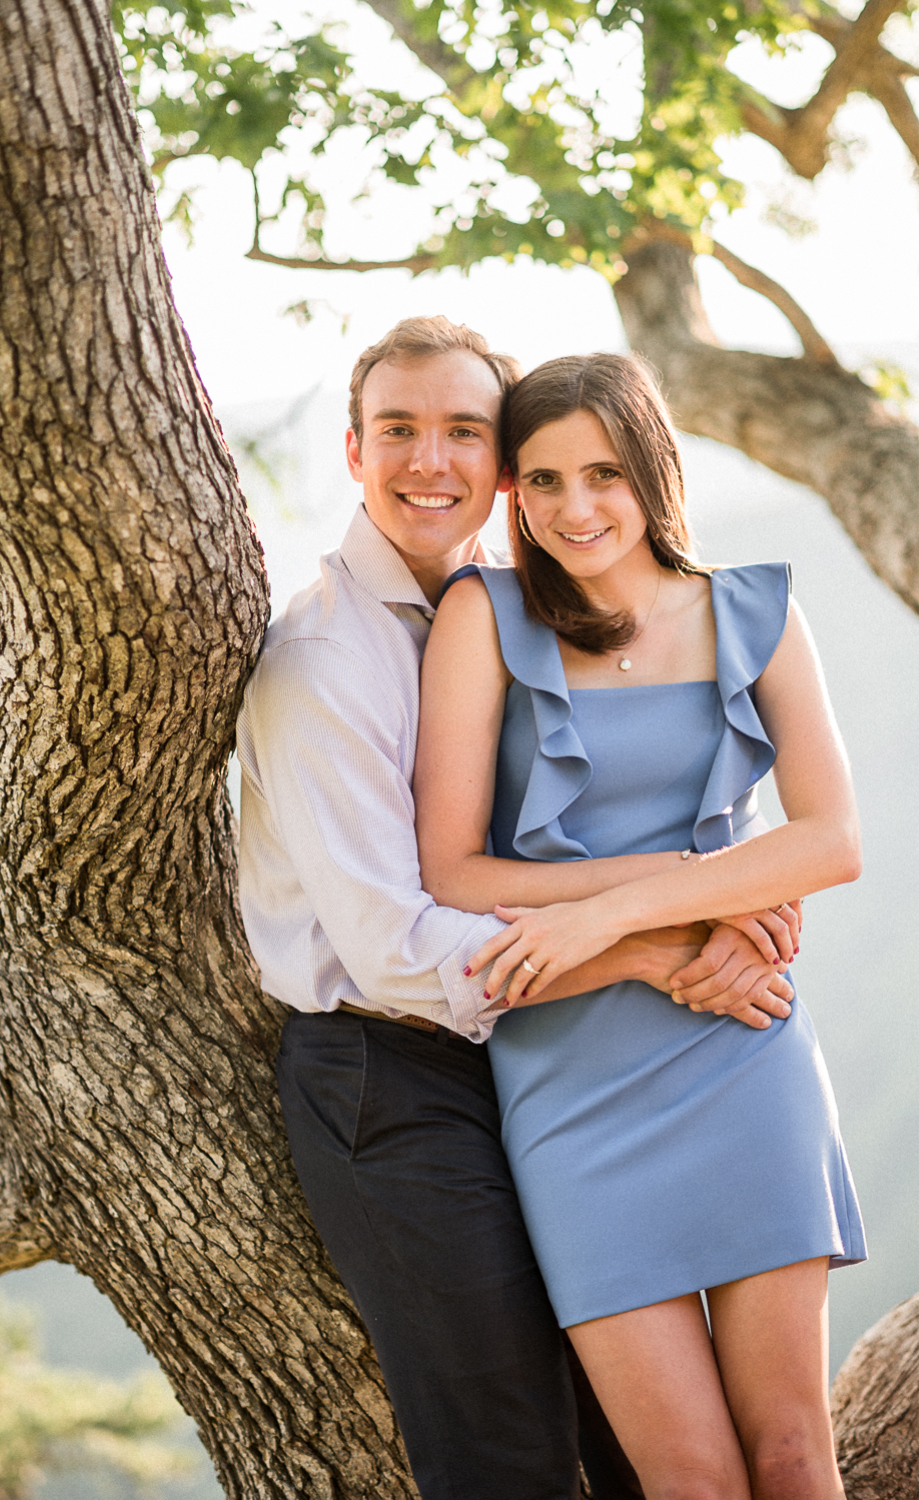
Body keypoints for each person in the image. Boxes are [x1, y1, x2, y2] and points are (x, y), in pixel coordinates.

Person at [236, 318, 799, 1500]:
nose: (428, 462)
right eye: (397, 432)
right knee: (506, 1458)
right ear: (352, 451)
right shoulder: (325, 660)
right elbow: (394, 949)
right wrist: (655, 944)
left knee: (638, 1452)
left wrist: (729, 894)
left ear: (501, 467)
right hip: (388, 1079)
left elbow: (642, 789)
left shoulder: (507, 616)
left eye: (462, 434)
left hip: (535, 1055)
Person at [414, 351, 867, 1500]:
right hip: (573, 1086)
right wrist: (687, 897)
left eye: (603, 473)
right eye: (542, 479)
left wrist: (626, 909)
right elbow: (453, 870)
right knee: (689, 1478)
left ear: (652, 470)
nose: (574, 509)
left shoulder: (755, 611)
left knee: (793, 1454)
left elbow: (829, 842)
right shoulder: (486, 614)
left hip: (739, 1032)